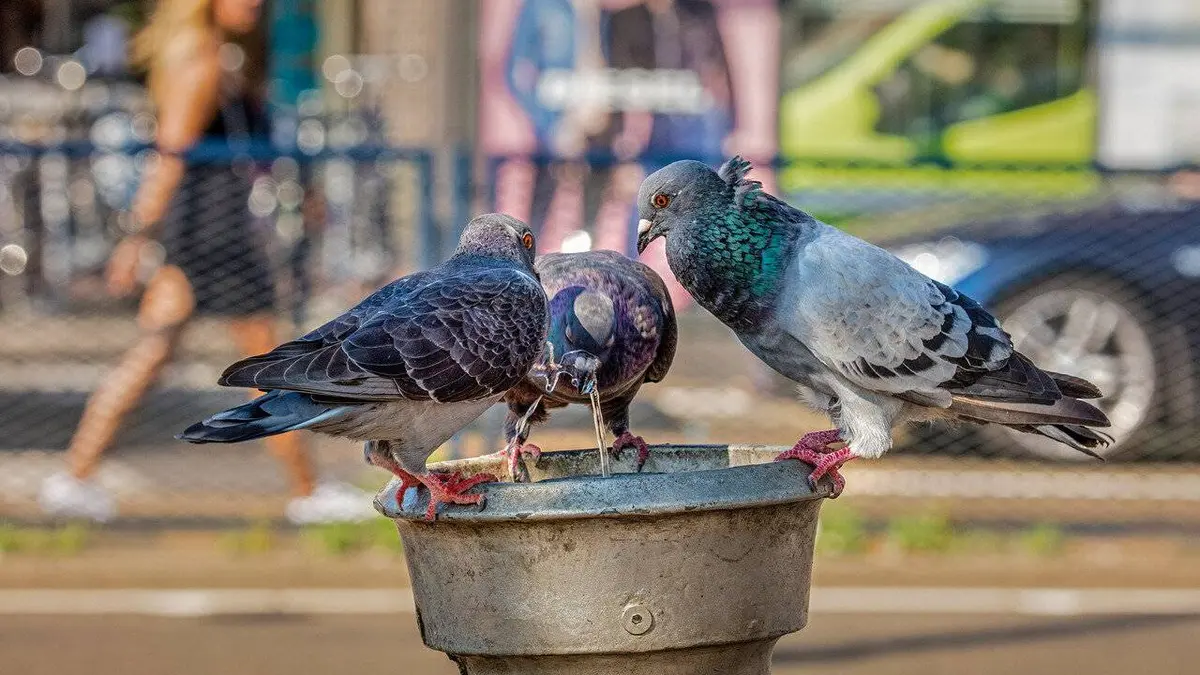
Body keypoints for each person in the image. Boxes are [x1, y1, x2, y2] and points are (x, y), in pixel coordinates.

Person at [38, 0, 373, 524]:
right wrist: (137, 239)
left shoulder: (218, 55)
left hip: (201, 228)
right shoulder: (201, 60)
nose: (255, 4)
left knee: (152, 353)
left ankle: (73, 476)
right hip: (213, 234)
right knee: (270, 362)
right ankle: (308, 492)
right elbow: (169, 157)